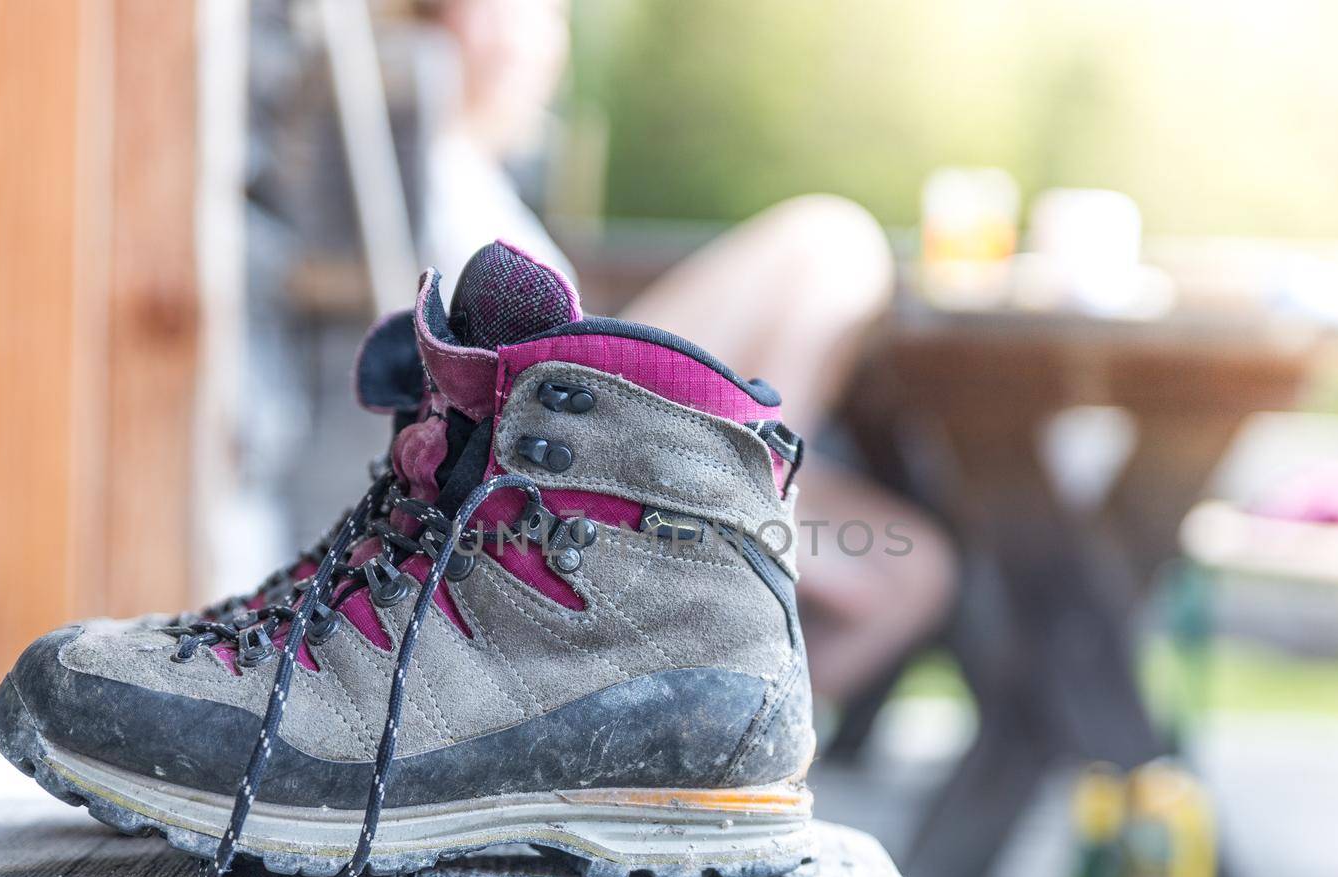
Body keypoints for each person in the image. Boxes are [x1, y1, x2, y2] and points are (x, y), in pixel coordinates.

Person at [405, 0, 954, 714]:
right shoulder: (421, 159)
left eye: (551, 17)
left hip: (586, 439)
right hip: (561, 453)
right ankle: (737, 534)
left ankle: (712, 714)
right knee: (830, 244)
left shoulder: (478, 177)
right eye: (514, 11)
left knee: (918, 569)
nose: (539, 40)